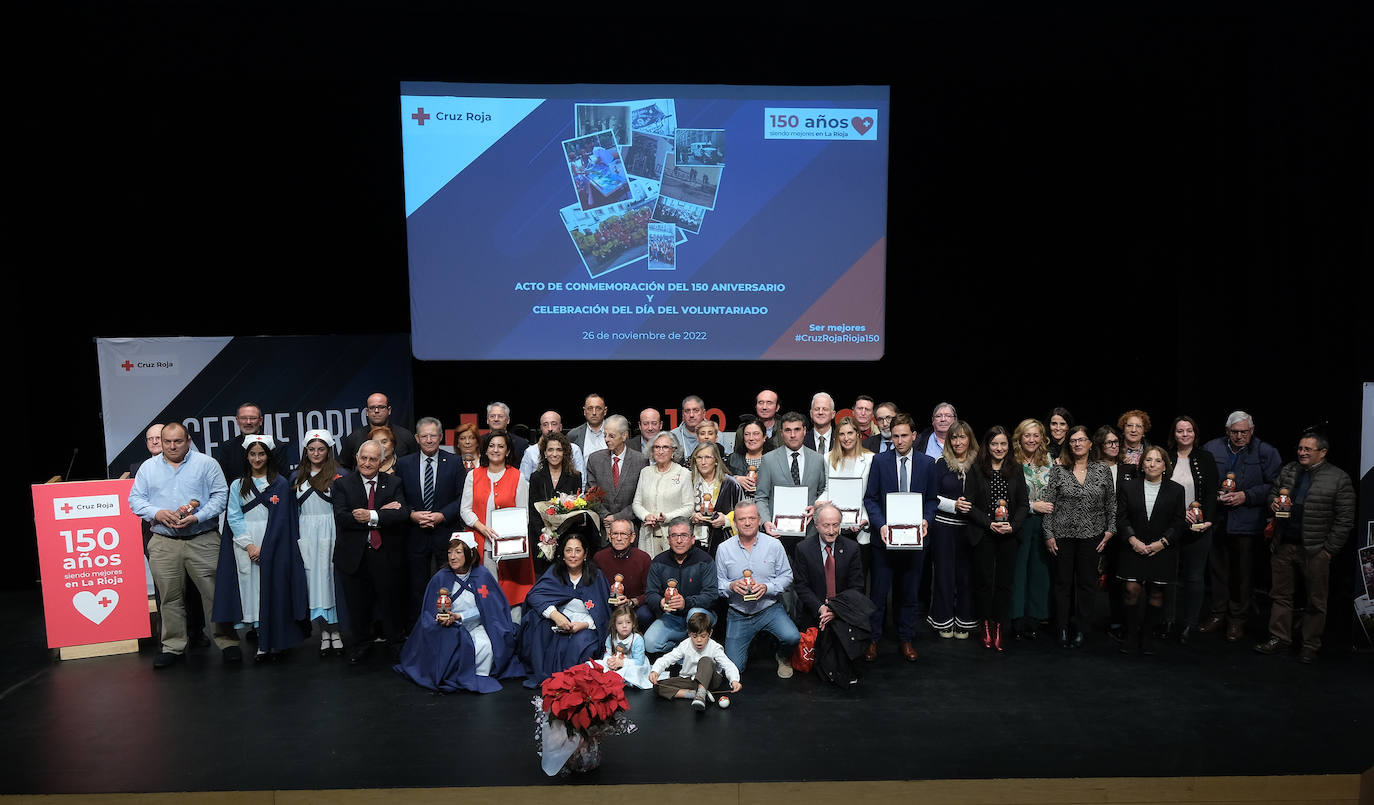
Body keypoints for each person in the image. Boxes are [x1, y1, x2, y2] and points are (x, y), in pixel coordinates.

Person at [129, 422, 241, 668]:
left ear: (188, 441)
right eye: (166, 441)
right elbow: (135, 500)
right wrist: (157, 513)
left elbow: (221, 496)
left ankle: (227, 641)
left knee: (215, 594)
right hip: (164, 541)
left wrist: (198, 516)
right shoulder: (148, 468)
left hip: (203, 539)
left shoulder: (206, 464)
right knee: (169, 597)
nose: (171, 446)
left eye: (177, 441)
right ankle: (173, 646)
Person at [1254, 432, 1355, 664]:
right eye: (1300, 448)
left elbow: (1345, 519)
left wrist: (1329, 549)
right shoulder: (1289, 470)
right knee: (1280, 595)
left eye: (1308, 449)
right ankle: (1279, 638)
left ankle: (1310, 645)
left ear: (1323, 452)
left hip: (1315, 549)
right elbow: (1272, 492)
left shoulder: (1338, 478)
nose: (1302, 452)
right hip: (1284, 544)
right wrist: (1273, 502)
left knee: (1316, 600)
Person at [213, 434, 310, 661]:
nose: (257, 459)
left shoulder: (280, 483)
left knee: (274, 590)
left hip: (274, 544)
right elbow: (234, 517)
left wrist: (266, 547)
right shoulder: (237, 484)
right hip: (246, 544)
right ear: (246, 457)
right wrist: (249, 545)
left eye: (261, 454)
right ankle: (261, 640)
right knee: (253, 591)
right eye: (253, 454)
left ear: (269, 456)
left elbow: (282, 521)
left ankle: (276, 641)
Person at [394, 533, 523, 693]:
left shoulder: (482, 576)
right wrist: (444, 618)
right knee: (453, 643)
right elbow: (429, 609)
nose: (452, 557)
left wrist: (461, 617)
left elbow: (489, 609)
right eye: (450, 552)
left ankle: (477, 675)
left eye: (458, 552)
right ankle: (452, 674)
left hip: (476, 623)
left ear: (469, 553)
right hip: (449, 625)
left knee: (485, 645)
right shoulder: (441, 577)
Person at [1200, 410, 1283, 642]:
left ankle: (1237, 620)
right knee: (1217, 571)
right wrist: (1212, 495)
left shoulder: (1266, 452)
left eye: (1244, 432)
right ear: (1227, 431)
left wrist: (1246, 496)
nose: (1239, 436)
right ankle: (1217, 615)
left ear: (1252, 430)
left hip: (1248, 522)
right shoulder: (1212, 448)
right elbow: (1202, 479)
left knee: (1242, 574)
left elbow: (1276, 486)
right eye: (1235, 432)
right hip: (1217, 520)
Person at [862, 414, 939, 662]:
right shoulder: (880, 462)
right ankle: (873, 640)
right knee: (879, 594)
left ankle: (906, 639)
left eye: (904, 435)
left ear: (914, 436)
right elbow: (870, 499)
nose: (899, 440)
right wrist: (881, 525)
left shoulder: (927, 464)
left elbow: (931, 500)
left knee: (909, 593)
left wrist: (927, 519)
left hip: (916, 540)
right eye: (895, 436)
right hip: (884, 540)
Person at [332, 440, 410, 662]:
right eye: (363, 458)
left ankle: (396, 643)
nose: (367, 463)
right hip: (353, 556)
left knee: (391, 602)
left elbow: (402, 514)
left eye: (373, 459)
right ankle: (360, 644)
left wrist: (370, 515)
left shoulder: (394, 483)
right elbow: (343, 517)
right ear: (356, 458)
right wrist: (381, 514)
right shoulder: (342, 484)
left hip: (385, 554)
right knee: (357, 605)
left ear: (382, 461)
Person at [1042, 425, 1116, 649]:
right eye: (1073, 440)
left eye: (1081, 440)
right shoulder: (1058, 470)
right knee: (1062, 584)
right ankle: (1062, 628)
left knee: (1086, 584)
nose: (1077, 444)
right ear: (1068, 445)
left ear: (1090, 443)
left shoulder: (1102, 470)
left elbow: (1111, 504)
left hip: (1092, 535)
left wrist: (1110, 530)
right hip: (1062, 535)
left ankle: (1082, 629)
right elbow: (1048, 505)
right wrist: (1048, 534)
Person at [1114, 446, 1187, 655]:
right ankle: (1131, 635)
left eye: (1157, 461)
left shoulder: (1176, 490)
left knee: (1157, 593)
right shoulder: (1129, 487)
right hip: (1133, 547)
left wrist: (1163, 543)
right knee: (1131, 590)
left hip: (1162, 549)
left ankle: (1147, 636)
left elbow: (1179, 521)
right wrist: (1132, 539)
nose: (1152, 464)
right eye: (1148, 460)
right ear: (1142, 464)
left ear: (1165, 466)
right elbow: (1121, 517)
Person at [715, 501, 800, 676]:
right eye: (742, 519)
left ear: (759, 520)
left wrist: (767, 587)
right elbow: (718, 584)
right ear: (735, 523)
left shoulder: (774, 545)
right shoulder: (724, 549)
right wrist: (731, 586)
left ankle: (782, 656)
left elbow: (787, 576)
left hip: (769, 609)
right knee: (734, 670)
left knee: (792, 637)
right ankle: (748, 645)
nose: (747, 523)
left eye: (752, 518)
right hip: (739, 614)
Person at [517, 529, 611, 688]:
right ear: (563, 553)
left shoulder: (597, 576)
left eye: (578, 550)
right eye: (568, 550)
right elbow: (535, 595)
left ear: (585, 553)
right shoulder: (554, 572)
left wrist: (583, 625)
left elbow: (602, 611)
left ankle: (574, 683)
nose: (573, 555)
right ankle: (548, 677)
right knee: (538, 624)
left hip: (586, 625)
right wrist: (555, 616)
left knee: (580, 643)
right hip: (560, 622)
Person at [397, 417, 467, 619]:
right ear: (417, 438)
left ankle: (448, 622)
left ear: (441, 437)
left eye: (433, 435)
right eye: (424, 436)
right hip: (415, 534)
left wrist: (442, 515)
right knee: (417, 586)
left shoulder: (454, 462)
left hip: (445, 533)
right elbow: (398, 496)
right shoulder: (404, 464)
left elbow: (461, 497)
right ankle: (421, 627)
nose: (429, 440)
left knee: (449, 583)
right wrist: (411, 514)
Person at [794, 503, 872, 685]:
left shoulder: (852, 548)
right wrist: (822, 608)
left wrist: (835, 610)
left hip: (843, 611)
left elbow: (857, 587)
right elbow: (802, 586)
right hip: (815, 611)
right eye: (826, 525)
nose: (831, 530)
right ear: (816, 525)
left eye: (835, 525)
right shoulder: (803, 549)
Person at [967, 426, 1028, 651]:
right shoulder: (977, 469)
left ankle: (999, 626)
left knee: (1005, 583)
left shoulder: (1016, 469)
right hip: (984, 532)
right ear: (987, 446)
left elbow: (1023, 504)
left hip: (1009, 535)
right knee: (984, 582)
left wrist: (1013, 526)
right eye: (994, 444)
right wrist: (988, 523)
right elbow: (970, 505)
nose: (999, 448)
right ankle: (985, 625)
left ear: (1008, 446)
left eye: (1003, 444)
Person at [460, 430, 534, 611]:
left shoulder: (518, 476)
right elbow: (465, 510)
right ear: (485, 450)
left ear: (508, 451)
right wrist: (482, 528)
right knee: (485, 593)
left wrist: (509, 536)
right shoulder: (473, 475)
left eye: (501, 446)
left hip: (509, 547)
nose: (496, 450)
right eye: (492, 446)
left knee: (510, 594)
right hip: (481, 543)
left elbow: (523, 513)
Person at [1165, 415, 1219, 644]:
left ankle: (1189, 624)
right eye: (1180, 431)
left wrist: (1208, 520)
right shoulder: (1165, 457)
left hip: (1198, 527)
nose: (1184, 434)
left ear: (1195, 434)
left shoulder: (1205, 458)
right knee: (1167, 577)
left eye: (1189, 430)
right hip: (1169, 527)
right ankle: (1167, 621)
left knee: (1194, 577)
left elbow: (1211, 494)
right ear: (1174, 434)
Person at [927, 420, 981, 639]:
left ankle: (964, 620)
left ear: (970, 439)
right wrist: (954, 505)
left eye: (962, 437)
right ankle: (943, 620)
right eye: (954, 438)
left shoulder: (979, 464)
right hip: (944, 528)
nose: (958, 442)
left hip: (970, 528)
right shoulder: (940, 463)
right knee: (944, 574)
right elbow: (931, 496)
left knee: (966, 575)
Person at [294, 429, 344, 656]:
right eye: (312, 449)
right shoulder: (296, 478)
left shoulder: (338, 476)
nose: (316, 453)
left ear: (328, 451)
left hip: (330, 532)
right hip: (307, 534)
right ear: (306, 451)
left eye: (321, 449)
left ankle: (337, 631)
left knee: (330, 581)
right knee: (313, 581)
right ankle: (324, 631)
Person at [644, 518, 720, 652]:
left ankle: (696, 649)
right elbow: (650, 594)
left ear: (692, 539)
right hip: (671, 617)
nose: (679, 540)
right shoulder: (658, 562)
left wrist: (686, 603)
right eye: (674, 536)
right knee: (650, 643)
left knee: (694, 613)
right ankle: (681, 651)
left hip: (700, 614)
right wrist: (661, 602)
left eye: (684, 536)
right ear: (668, 539)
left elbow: (712, 595)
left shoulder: (705, 560)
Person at [756, 412, 827, 551]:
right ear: (782, 433)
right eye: (788, 430)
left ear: (805, 431)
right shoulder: (768, 460)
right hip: (777, 533)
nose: (793, 435)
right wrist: (766, 522)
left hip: (810, 532)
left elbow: (822, 491)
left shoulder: (818, 459)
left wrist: (815, 507)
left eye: (797, 429)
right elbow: (761, 496)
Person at [1011, 418, 1054, 640]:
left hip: (1045, 523)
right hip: (1020, 521)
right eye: (1027, 435)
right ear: (1019, 437)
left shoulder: (1049, 461)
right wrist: (1031, 506)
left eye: (1036, 435)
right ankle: (1017, 618)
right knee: (1019, 571)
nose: (1032, 439)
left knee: (1040, 571)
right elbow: (1006, 497)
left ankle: (1035, 618)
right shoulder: (1011, 461)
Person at [649, 611, 741, 710]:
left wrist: (734, 680)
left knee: (705, 660)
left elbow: (727, 664)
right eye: (694, 636)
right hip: (691, 680)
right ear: (689, 634)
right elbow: (668, 658)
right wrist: (655, 671)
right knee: (658, 686)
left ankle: (701, 695)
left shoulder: (715, 647)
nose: (699, 640)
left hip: (711, 681)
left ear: (710, 633)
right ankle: (693, 694)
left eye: (703, 636)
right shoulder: (685, 644)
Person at [824, 416, 874, 578]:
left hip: (861, 528)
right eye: (842, 434)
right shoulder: (828, 458)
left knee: (858, 579)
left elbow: (873, 495)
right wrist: (818, 504)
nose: (846, 438)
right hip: (835, 528)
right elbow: (827, 489)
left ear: (858, 435)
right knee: (837, 579)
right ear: (837, 437)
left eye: (850, 433)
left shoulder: (871, 459)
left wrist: (864, 519)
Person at [528, 431, 583, 574]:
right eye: (550, 449)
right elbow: (533, 511)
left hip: (567, 538)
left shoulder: (575, 476)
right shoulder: (536, 477)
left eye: (559, 449)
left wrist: (558, 534)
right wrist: (545, 534)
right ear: (544, 453)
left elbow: (575, 511)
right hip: (541, 539)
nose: (554, 454)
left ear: (565, 453)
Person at [632, 432, 694, 558]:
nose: (660, 451)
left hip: (672, 534)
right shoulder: (645, 472)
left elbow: (689, 507)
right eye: (657, 447)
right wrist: (646, 516)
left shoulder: (683, 473)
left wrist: (666, 517)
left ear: (673, 451)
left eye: (665, 447)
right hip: (648, 533)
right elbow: (636, 503)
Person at [584, 414, 645, 534]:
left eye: (611, 436)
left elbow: (643, 498)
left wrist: (617, 518)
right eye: (605, 435)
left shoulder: (640, 460)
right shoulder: (595, 459)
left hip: (630, 528)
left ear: (624, 436)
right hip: (602, 528)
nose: (606, 439)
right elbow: (591, 494)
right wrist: (606, 517)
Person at [593, 518, 653, 630]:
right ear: (609, 536)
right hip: (608, 605)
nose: (619, 538)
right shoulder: (599, 557)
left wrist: (632, 602)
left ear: (632, 537)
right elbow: (594, 589)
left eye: (623, 534)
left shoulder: (643, 558)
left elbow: (650, 592)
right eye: (615, 534)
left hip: (633, 606)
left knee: (645, 614)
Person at [688, 442, 743, 555]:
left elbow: (745, 513)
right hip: (693, 544)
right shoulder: (689, 481)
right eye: (699, 457)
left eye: (708, 457)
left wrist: (727, 520)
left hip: (723, 543)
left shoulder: (730, 484)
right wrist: (691, 516)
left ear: (716, 460)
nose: (703, 462)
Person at [215, 402, 291, 480]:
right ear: (237, 421)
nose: (248, 422)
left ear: (260, 420)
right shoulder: (228, 448)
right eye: (243, 418)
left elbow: (283, 478)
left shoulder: (277, 446)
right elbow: (223, 480)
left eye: (253, 418)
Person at [341, 393, 415, 470]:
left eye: (381, 407)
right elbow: (343, 467)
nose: (376, 411)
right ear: (366, 411)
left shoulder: (405, 436)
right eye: (372, 407)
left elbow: (415, 464)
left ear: (389, 410)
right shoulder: (354, 437)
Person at [596, 603, 651, 690]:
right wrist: (609, 661)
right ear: (615, 625)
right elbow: (608, 653)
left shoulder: (637, 639)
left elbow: (639, 661)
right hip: (617, 663)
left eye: (628, 622)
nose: (624, 626)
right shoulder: (611, 638)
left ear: (633, 624)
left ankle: (621, 678)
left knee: (634, 672)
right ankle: (616, 677)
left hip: (634, 663)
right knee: (599, 665)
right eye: (620, 623)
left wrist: (622, 663)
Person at [519, 410, 586, 480]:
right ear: (541, 428)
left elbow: (582, 479)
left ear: (560, 427)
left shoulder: (574, 449)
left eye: (554, 424)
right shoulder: (530, 452)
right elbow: (524, 481)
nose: (550, 428)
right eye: (545, 424)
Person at [726, 418, 771, 498]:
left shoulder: (773, 459)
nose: (751, 438)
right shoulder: (733, 458)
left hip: (766, 505)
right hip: (739, 505)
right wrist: (736, 479)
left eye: (756, 434)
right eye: (747, 434)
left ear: (764, 437)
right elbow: (720, 479)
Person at [566, 393, 609, 458]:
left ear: (605, 411)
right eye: (590, 408)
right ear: (584, 411)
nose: (594, 413)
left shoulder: (616, 432)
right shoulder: (573, 435)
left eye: (598, 408)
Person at [670, 395, 706, 461]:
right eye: (687, 411)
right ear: (683, 414)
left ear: (703, 413)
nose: (691, 415)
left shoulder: (716, 435)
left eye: (696, 410)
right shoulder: (672, 436)